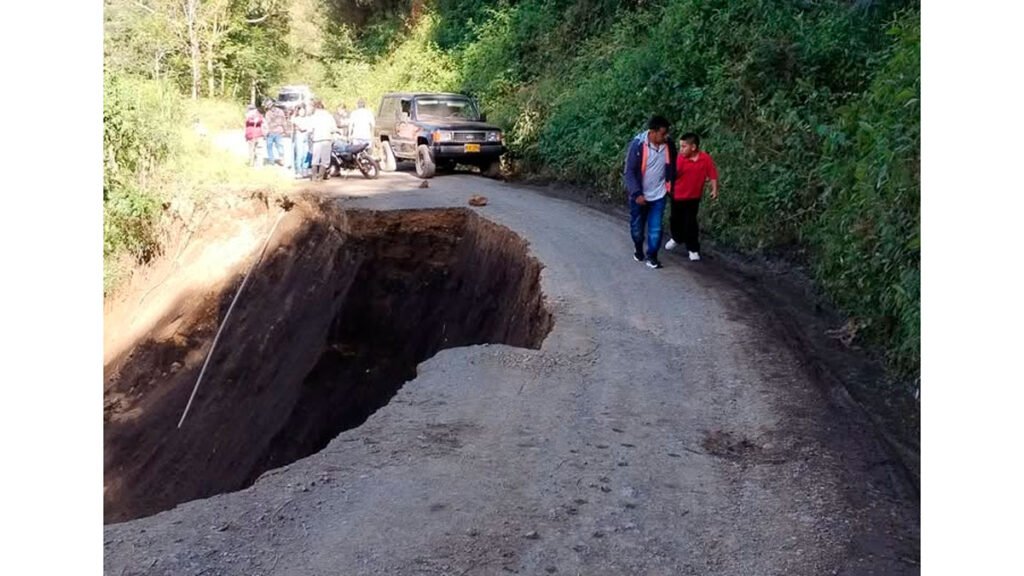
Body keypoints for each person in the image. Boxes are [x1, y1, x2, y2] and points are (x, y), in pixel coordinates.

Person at [623, 115, 677, 269]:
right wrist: (637, 193)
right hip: (639, 196)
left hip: (659, 194)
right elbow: (630, 172)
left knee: (656, 228)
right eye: (662, 133)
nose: (665, 136)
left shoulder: (669, 145)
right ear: (652, 132)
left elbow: (673, 164)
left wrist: (670, 185)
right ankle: (638, 249)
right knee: (637, 228)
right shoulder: (638, 145)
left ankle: (652, 256)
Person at [665, 132, 719, 261]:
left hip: (693, 197)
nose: (681, 150)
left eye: (684, 146)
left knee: (690, 223)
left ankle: (693, 249)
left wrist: (714, 189)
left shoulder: (705, 159)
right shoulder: (679, 159)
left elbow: (712, 174)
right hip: (677, 196)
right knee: (675, 219)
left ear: (693, 147)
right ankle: (677, 238)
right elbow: (671, 175)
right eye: (680, 146)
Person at [307, 99, 341, 181]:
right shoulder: (329, 116)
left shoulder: (314, 116)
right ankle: (320, 177)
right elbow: (333, 128)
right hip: (327, 139)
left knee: (315, 159)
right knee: (325, 160)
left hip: (317, 139)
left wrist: (311, 137)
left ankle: (314, 177)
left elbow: (310, 129)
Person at [264, 99, 288, 166]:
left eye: (269, 105)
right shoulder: (268, 113)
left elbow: (284, 121)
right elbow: (266, 124)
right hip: (270, 132)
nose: (269, 107)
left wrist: (285, 130)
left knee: (279, 146)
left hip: (277, 132)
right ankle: (272, 161)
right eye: (268, 106)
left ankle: (281, 159)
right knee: (270, 147)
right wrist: (266, 132)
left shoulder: (280, 112)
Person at [291, 107, 311, 178]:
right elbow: (300, 128)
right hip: (299, 136)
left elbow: (309, 128)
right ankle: (298, 171)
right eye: (300, 111)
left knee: (306, 154)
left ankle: (305, 170)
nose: (302, 112)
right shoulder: (296, 119)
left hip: (306, 137)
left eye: (303, 110)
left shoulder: (308, 119)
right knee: (299, 154)